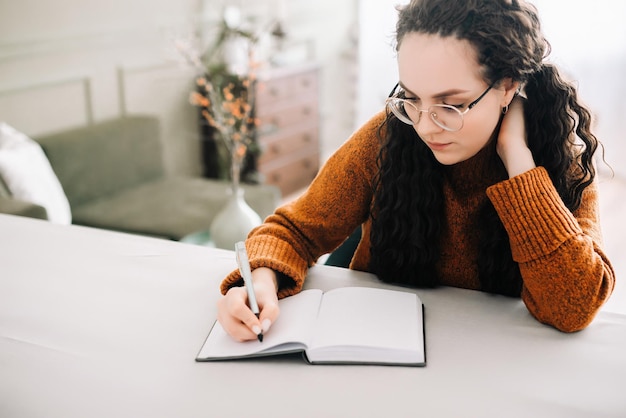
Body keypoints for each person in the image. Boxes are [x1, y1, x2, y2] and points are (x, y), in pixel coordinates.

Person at [217, 0, 615, 340]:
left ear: (508, 86)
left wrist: (518, 162)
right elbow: (295, 230)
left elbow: (572, 308)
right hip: (377, 357)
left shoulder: (563, 165)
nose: (424, 126)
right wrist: (261, 280)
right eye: (410, 98)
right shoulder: (387, 137)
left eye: (452, 105)